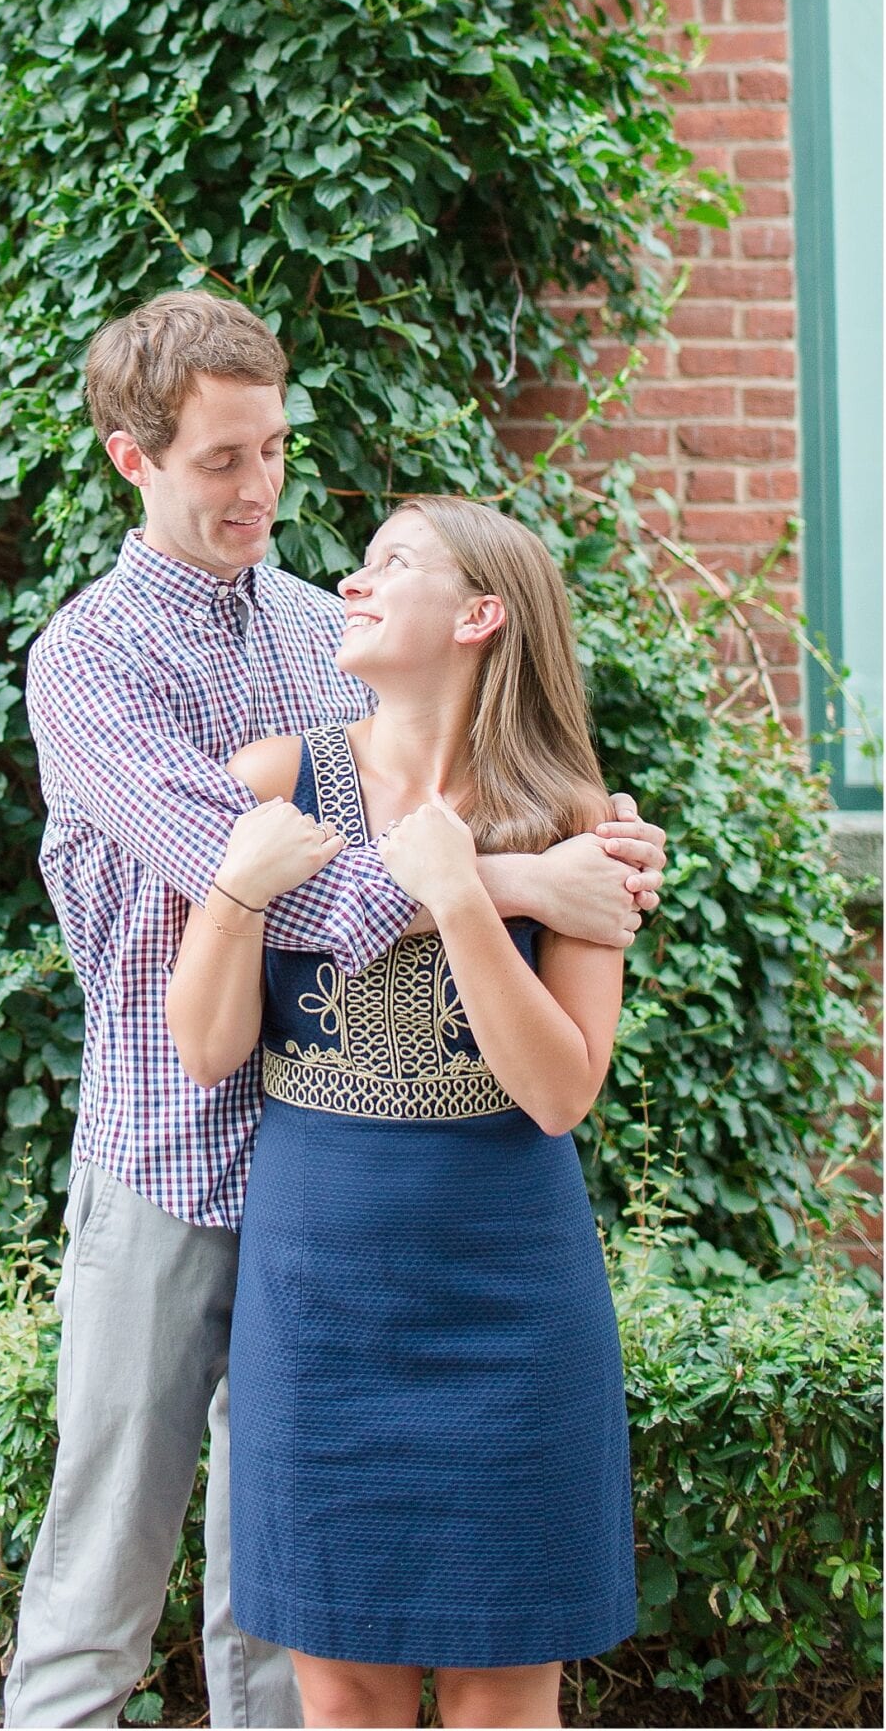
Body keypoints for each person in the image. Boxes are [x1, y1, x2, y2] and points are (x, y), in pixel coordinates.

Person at [1, 292, 665, 1731]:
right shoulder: (90, 661)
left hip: (335, 1177)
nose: (262, 490)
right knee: (104, 1565)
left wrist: (585, 860)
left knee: (282, 1598)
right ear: (137, 459)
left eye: (274, 451)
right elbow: (273, 894)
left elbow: (447, 778)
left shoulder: (322, 629)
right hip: (173, 1148)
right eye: (222, 462)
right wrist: (513, 877)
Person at [167, 496, 637, 1730]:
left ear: (479, 614)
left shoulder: (576, 821)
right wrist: (235, 885)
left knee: (500, 1698)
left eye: (392, 562)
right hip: (319, 1303)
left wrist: (464, 896)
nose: (353, 579)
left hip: (514, 1307)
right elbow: (209, 1046)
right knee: (345, 1697)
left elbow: (558, 1090)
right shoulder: (278, 779)